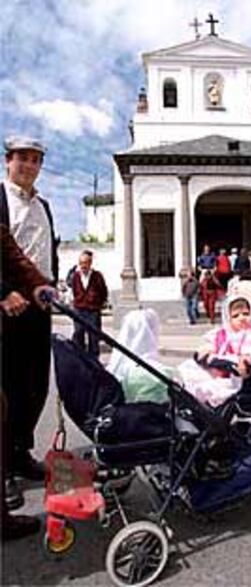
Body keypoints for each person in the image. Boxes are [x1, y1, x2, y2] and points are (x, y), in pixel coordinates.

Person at [0, 136, 59, 504]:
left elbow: (45, 252)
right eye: (23, 158)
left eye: (36, 160)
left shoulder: (45, 205)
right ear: (8, 161)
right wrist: (4, 291)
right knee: (6, 389)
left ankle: (20, 453)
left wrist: (53, 286)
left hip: (40, 303)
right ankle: (2, 468)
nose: (29, 165)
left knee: (35, 385)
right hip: (9, 304)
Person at [0, 224, 56, 539]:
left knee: (22, 394)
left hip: (28, 303)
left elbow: (12, 253)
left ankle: (15, 457)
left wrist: (38, 284)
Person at [178, 295, 251, 407]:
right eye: (236, 316)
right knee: (188, 370)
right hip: (218, 368)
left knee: (210, 388)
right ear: (228, 319)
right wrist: (205, 353)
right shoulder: (221, 335)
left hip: (236, 376)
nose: (242, 318)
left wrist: (248, 357)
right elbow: (209, 347)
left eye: (246, 314)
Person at [72, 250, 108, 358]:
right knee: (78, 334)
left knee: (94, 337)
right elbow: (75, 291)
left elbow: (103, 291)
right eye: (81, 263)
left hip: (93, 310)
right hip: (79, 309)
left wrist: (97, 304)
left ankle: (94, 361)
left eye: (85, 263)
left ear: (90, 263)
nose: (83, 266)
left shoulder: (97, 276)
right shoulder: (75, 276)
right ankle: (81, 359)